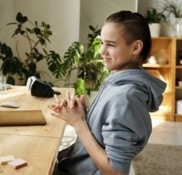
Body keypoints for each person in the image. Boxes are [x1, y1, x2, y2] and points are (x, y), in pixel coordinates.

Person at [48, 10, 167, 175]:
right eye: (102, 42)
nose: (102, 51)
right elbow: (109, 127)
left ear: (135, 47)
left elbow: (116, 172)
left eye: (111, 44)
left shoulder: (126, 98)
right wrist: (82, 115)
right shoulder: (116, 78)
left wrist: (79, 124)